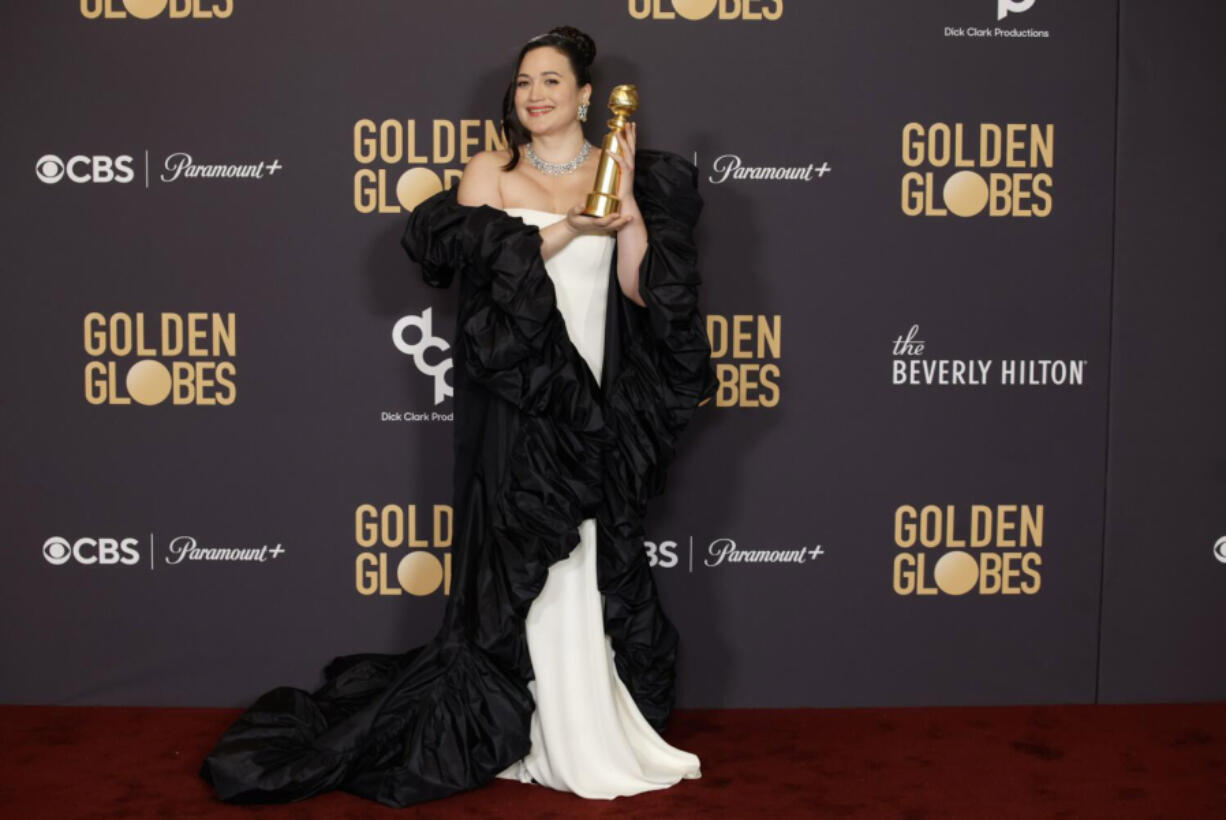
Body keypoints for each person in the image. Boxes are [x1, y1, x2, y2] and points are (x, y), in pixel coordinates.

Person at [198, 25, 716, 809]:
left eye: (551, 82)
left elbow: (646, 294)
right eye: (523, 85)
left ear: (585, 94)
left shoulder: (627, 173)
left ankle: (580, 724)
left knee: (584, 551)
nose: (534, 96)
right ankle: (519, 723)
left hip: (592, 397)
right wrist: (572, 226)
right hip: (512, 397)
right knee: (516, 552)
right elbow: (477, 270)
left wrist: (629, 203)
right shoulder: (488, 171)